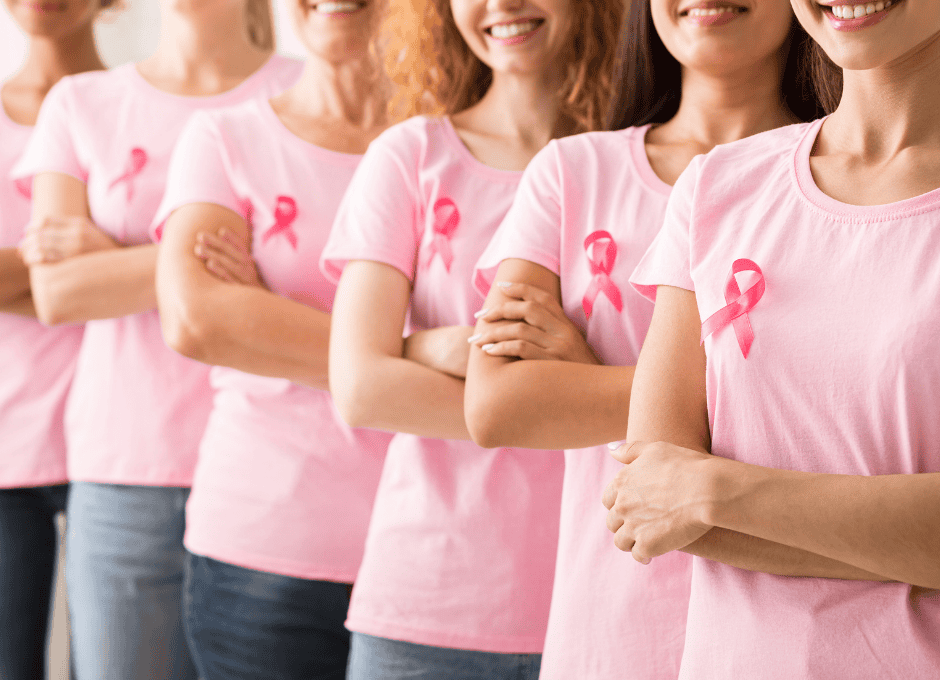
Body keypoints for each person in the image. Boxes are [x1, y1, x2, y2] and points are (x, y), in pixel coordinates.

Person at [464, 1, 824, 677]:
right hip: (609, 632)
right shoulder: (573, 171)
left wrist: (587, 376)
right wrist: (749, 395)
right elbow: (497, 407)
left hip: (789, 634)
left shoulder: (847, 188)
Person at [610, 0, 940, 677]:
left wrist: (715, 494)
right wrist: (905, 539)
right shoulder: (717, 186)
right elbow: (650, 497)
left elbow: (685, 498)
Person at [320, 0, 622, 677]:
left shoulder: (639, 165)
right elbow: (362, 389)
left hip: (605, 605)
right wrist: (571, 395)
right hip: (427, 608)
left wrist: (423, 351)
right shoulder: (409, 156)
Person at [12, 1, 301, 678]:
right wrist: (230, 252)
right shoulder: (80, 103)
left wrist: (113, 256)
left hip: (279, 474)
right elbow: (57, 293)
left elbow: (332, 280)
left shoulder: (306, 93)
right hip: (122, 475)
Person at [151, 1, 395, 678]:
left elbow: (497, 354)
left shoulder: (451, 145)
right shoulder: (225, 138)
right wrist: (419, 350)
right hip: (261, 547)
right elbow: (198, 319)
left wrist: (265, 315)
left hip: (437, 558)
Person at [0, 2, 109, 678]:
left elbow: (189, 277)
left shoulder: (140, 111)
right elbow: (151, 269)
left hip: (118, 441)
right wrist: (110, 263)